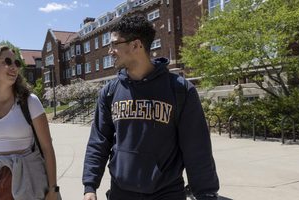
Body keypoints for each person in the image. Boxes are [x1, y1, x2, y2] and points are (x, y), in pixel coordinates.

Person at [82, 15, 219, 200]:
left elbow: (197, 147)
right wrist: (90, 186)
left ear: (136, 45)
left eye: (114, 44)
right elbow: (99, 141)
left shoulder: (180, 90)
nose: (110, 51)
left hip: (166, 193)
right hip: (121, 193)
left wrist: (206, 193)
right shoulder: (110, 92)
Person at [0, 45, 60, 200]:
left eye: (17, 63)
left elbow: (47, 148)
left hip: (31, 182)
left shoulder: (29, 102)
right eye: (7, 61)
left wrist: (53, 189)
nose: (14, 67)